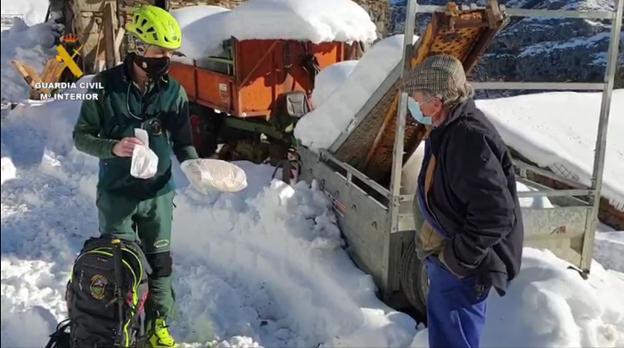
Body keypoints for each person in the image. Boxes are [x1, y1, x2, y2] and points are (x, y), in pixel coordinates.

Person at [73, 5, 206, 347]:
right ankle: (119, 328)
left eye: (169, 53)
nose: (165, 58)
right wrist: (113, 147)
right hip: (117, 194)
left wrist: (193, 165)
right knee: (119, 267)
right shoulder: (103, 87)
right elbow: (81, 136)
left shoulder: (173, 92)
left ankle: (158, 325)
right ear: (137, 47)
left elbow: (183, 142)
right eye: (158, 50)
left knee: (160, 264)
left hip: (158, 194)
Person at [404, 54, 524, 348]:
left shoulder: (467, 137)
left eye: (420, 98)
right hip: (449, 261)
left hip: (461, 269)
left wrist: (457, 259)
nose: (416, 105)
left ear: (440, 98)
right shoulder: (449, 128)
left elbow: (496, 213)